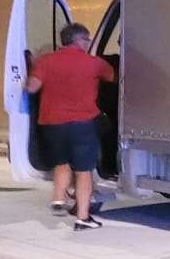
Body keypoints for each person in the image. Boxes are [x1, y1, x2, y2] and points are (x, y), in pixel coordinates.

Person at [25, 23, 115, 230]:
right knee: (84, 172)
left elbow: (32, 87)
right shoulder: (94, 63)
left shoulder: (45, 61)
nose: (89, 43)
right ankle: (83, 218)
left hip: (51, 124)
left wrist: (31, 66)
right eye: (88, 40)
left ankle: (58, 199)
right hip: (81, 125)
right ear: (80, 40)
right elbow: (115, 78)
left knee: (61, 163)